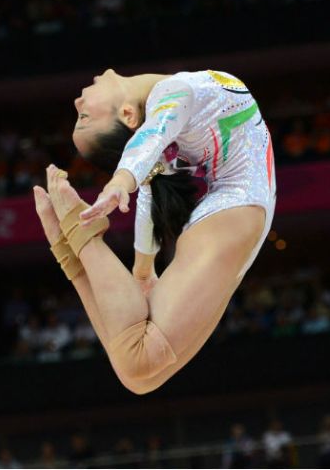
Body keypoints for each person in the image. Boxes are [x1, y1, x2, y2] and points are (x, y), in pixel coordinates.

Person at [33, 68, 276, 394]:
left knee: (137, 375)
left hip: (236, 214)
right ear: (128, 114)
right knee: (139, 368)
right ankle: (79, 241)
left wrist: (125, 181)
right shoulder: (172, 92)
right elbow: (151, 151)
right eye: (84, 115)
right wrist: (142, 268)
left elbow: (152, 146)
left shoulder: (175, 96)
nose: (78, 99)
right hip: (235, 211)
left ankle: (75, 251)